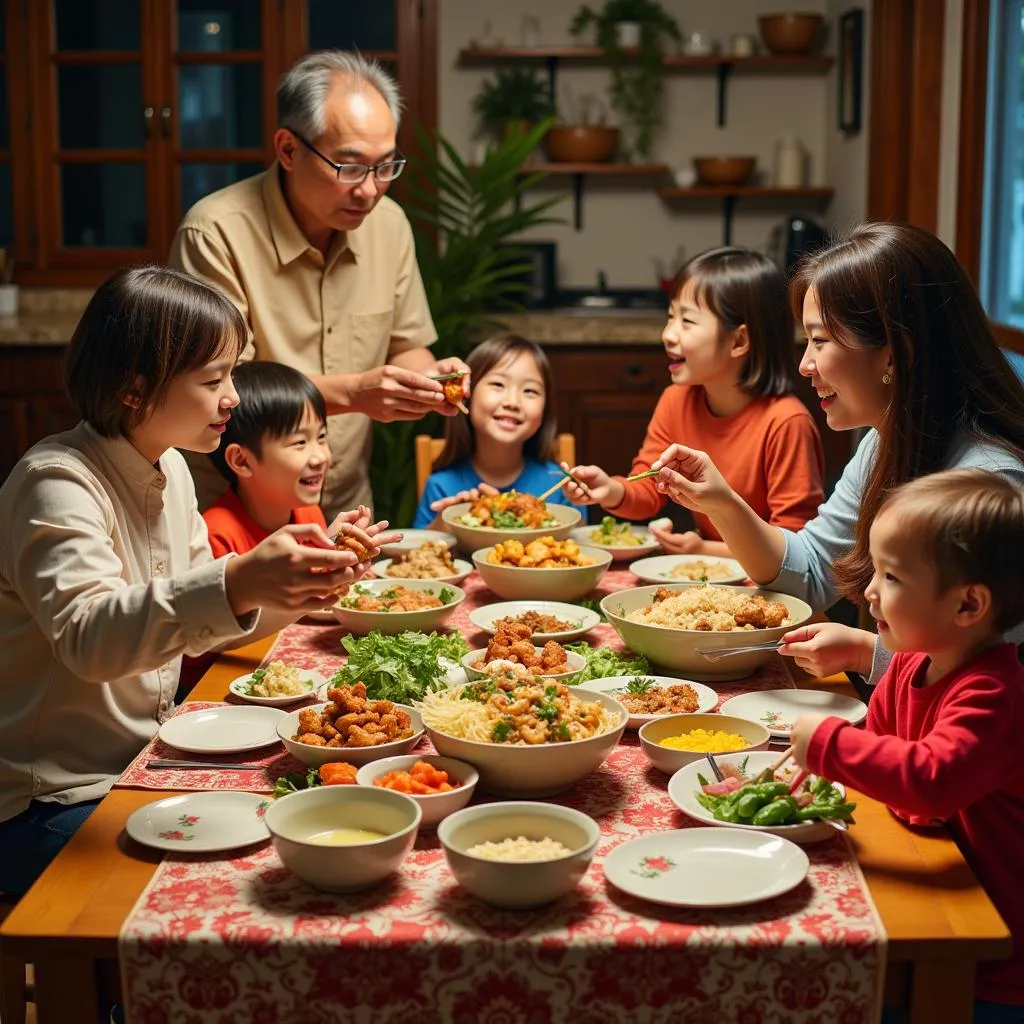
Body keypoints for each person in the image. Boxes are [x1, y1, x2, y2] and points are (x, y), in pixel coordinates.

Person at [0, 266, 378, 895]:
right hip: (51, 800)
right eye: (214, 379)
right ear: (133, 389)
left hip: (146, 762)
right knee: (243, 880)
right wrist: (237, 581)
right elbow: (89, 639)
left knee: (317, 816)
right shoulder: (56, 482)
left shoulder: (171, 469)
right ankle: (127, 995)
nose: (233, 397)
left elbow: (203, 632)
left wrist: (313, 581)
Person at [648, 223, 1024, 680]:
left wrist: (869, 654)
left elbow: (999, 681)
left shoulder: (993, 483)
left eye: (820, 341)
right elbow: (809, 574)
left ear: (893, 352)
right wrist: (721, 502)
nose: (805, 364)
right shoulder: (885, 442)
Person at [170, 50, 469, 518]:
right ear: (288, 149)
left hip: (345, 503)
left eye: (386, 166)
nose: (370, 189)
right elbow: (219, 390)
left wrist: (427, 381)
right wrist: (356, 392)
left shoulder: (388, 224)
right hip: (233, 511)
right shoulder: (215, 232)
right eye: (349, 167)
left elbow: (407, 345)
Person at [789, 470, 1024, 1020]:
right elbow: (876, 750)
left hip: (991, 951)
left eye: (891, 577)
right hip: (931, 884)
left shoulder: (994, 696)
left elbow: (931, 781)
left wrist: (826, 744)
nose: (868, 591)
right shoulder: (913, 664)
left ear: (968, 606)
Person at [562, 247, 824, 556]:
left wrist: (704, 549)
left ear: (739, 341)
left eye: (687, 321)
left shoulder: (786, 422)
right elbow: (650, 485)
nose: (668, 334)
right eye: (671, 316)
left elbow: (792, 545)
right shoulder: (677, 400)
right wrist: (610, 490)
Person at [413, 333, 585, 529]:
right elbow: (416, 552)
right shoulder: (441, 486)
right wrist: (445, 524)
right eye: (498, 384)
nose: (512, 402)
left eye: (530, 391)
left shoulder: (562, 485)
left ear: (546, 409)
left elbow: (582, 547)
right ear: (466, 394)